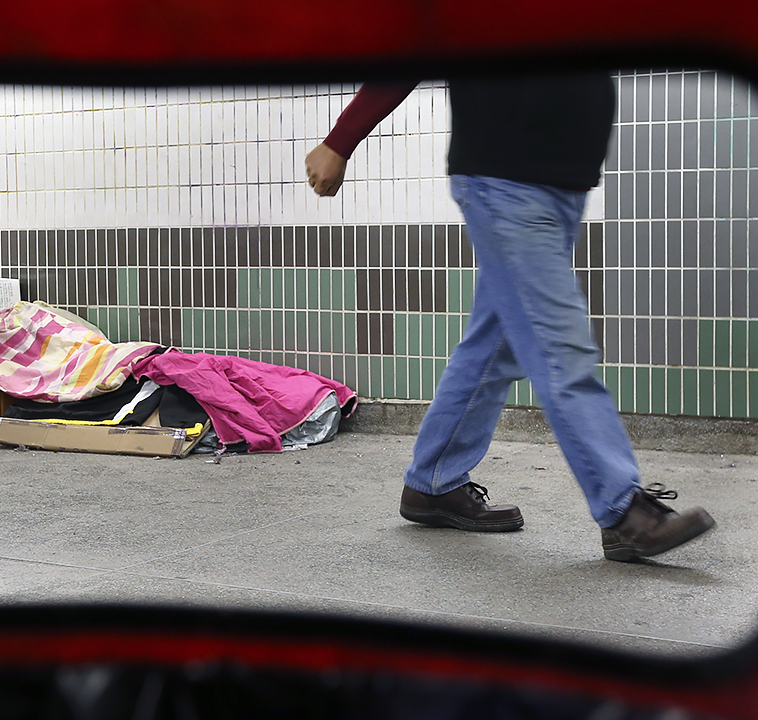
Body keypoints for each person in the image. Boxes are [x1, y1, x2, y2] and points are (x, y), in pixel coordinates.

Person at [305, 72, 715, 562]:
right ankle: (624, 510)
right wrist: (340, 140)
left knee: (494, 344)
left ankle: (433, 482)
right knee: (558, 346)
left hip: (557, 183)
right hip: (507, 178)